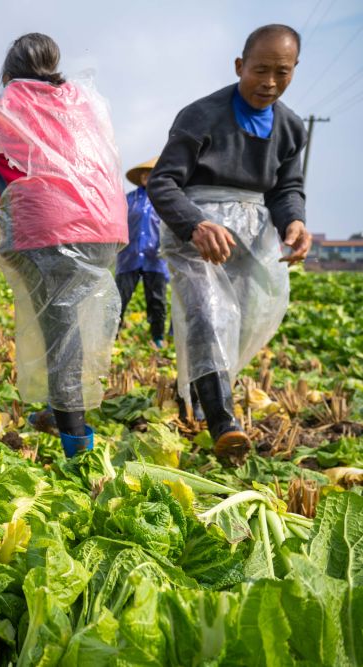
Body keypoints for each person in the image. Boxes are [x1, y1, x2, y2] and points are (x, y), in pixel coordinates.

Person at [0, 33, 127, 458]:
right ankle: (59, 407)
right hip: (104, 225)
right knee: (71, 322)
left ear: (9, 75)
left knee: (61, 329)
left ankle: (78, 447)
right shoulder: (82, 103)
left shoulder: (3, 108)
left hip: (51, 229)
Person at [147, 24, 312, 462]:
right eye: (260, 70)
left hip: (252, 235)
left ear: (294, 70)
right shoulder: (200, 116)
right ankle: (223, 422)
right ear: (240, 66)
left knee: (242, 320)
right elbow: (162, 183)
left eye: (282, 72)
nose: (270, 82)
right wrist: (196, 225)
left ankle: (201, 397)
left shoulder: (292, 128)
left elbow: (286, 189)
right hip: (196, 234)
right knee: (206, 313)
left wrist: (294, 222)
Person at [116, 157, 170, 348]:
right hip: (129, 256)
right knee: (119, 298)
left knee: (157, 301)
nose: (147, 176)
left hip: (155, 258)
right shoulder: (129, 199)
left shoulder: (166, 201)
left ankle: (157, 338)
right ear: (141, 177)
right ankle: (111, 336)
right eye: (144, 173)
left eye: (152, 173)